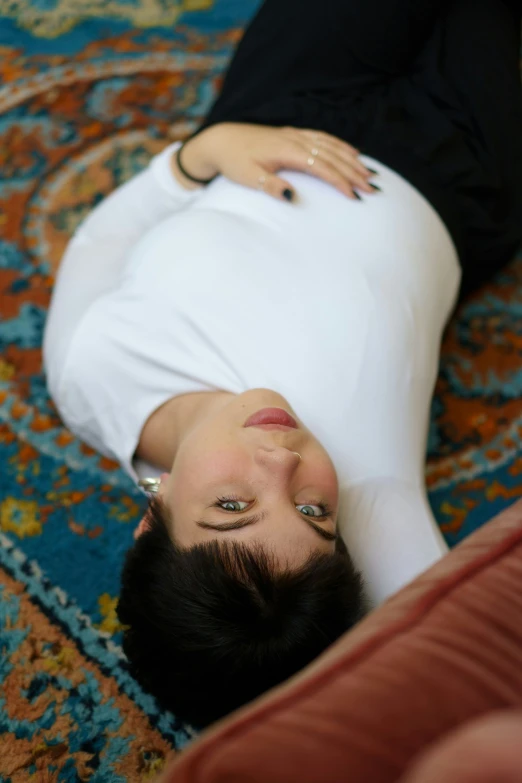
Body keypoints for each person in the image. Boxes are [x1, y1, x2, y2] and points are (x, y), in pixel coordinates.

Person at [43, 0, 522, 728]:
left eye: (230, 506)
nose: (281, 461)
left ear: (153, 517)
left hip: (282, 106)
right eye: (313, 512)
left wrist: (198, 156)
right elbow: (452, 665)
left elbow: (100, 246)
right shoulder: (374, 492)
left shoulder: (89, 379)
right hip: (458, 160)